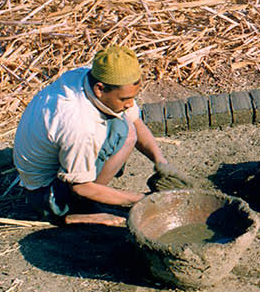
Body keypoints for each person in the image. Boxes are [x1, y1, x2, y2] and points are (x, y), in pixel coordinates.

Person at [13, 45, 187, 226]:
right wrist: (141, 199)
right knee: (120, 133)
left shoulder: (88, 77)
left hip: (55, 163)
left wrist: (161, 162)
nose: (129, 104)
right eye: (124, 99)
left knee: (127, 131)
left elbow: (135, 122)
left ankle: (91, 198)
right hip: (46, 194)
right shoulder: (79, 125)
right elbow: (80, 187)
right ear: (99, 89)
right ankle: (78, 212)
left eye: (132, 97)